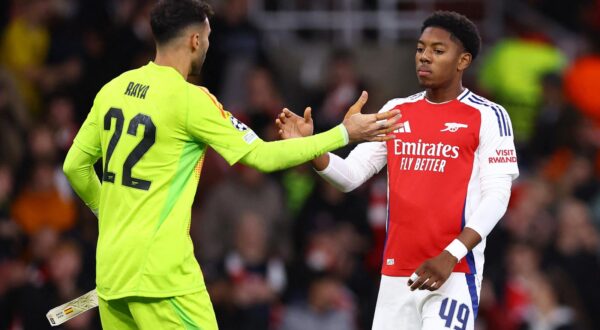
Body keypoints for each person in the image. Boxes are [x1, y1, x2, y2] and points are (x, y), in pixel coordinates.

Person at [61, 0, 401, 329]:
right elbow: (262, 157)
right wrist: (343, 133)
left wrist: (110, 212)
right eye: (207, 37)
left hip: (111, 272)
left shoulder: (112, 89)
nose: (209, 45)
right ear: (195, 40)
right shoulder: (191, 100)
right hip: (162, 278)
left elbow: (74, 167)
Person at [277, 11, 519, 330]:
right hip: (395, 276)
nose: (424, 57)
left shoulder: (488, 116)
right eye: (420, 49)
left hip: (453, 273)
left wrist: (452, 254)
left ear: (463, 61)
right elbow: (350, 175)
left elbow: (498, 198)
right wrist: (310, 147)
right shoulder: (396, 110)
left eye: (437, 50)